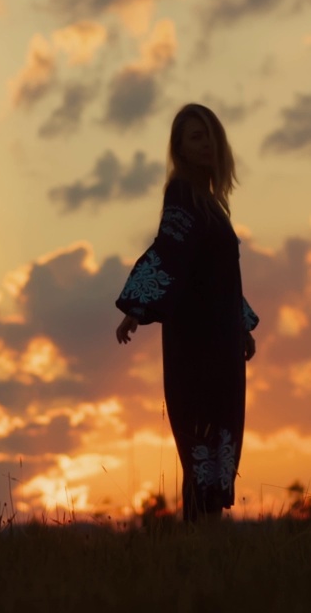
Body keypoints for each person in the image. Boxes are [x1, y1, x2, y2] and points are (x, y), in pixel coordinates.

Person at [114, 102, 260, 523]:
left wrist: (241, 327)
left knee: (219, 456)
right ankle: (197, 553)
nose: (207, 144)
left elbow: (218, 277)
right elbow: (170, 252)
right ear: (179, 147)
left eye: (211, 135)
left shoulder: (213, 205)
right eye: (196, 137)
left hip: (223, 347)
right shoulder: (182, 194)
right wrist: (137, 308)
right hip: (195, 347)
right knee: (200, 453)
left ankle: (206, 554)